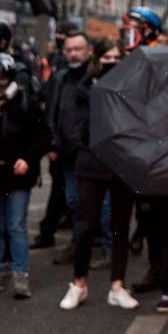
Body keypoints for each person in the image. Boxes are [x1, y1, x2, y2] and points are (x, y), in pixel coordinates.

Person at [59, 37, 139, 310]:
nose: (112, 64)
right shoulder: (82, 88)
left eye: (117, 59)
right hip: (91, 166)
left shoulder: (129, 89)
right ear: (97, 59)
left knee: (119, 227)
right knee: (85, 226)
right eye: (107, 59)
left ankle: (117, 285)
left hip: (120, 166)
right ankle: (78, 283)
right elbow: (72, 127)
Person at [0, 53, 50, 298]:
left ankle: (20, 275)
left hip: (17, 176)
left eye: (2, 78)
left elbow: (42, 135)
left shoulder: (26, 102)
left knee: (16, 227)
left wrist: (28, 159)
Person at [46, 32, 94, 265]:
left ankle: (103, 246)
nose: (73, 54)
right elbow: (53, 111)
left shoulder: (93, 77)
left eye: (78, 49)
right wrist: (53, 142)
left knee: (97, 204)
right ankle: (77, 244)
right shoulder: (60, 77)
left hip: (90, 151)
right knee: (74, 201)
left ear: (88, 51)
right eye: (69, 50)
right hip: (66, 152)